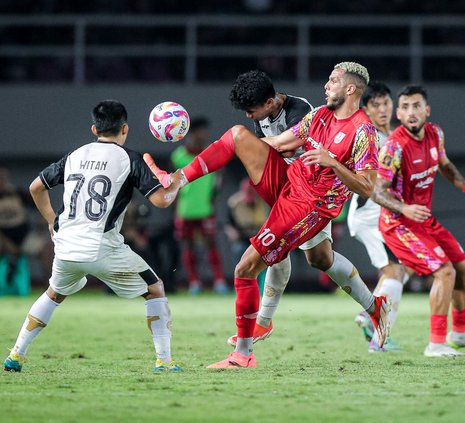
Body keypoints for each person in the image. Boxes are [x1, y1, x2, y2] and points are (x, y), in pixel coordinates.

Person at [145, 62, 390, 368]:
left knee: (247, 267)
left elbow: (367, 187)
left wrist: (334, 163)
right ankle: (175, 181)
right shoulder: (320, 116)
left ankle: (244, 354)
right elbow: (277, 143)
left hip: (310, 205)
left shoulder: (364, 132)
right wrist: (237, 152)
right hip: (289, 183)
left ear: (350, 89)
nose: (326, 85)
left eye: (333, 81)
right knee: (237, 135)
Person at [3, 100, 183, 373]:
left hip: (66, 246)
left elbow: (35, 187)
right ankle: (164, 362)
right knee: (155, 288)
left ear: (93, 128)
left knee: (53, 294)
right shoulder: (128, 158)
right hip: (102, 247)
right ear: (125, 129)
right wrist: (177, 180)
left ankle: (16, 355)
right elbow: (162, 201)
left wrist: (53, 221)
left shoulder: (76, 155)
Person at [226, 69, 335, 346]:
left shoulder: (299, 110)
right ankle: (263, 322)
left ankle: (373, 305)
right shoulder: (263, 115)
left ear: (271, 102)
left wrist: (257, 149)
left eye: (251, 110)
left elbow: (287, 147)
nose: (249, 116)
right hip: (284, 189)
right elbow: (270, 151)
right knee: (277, 250)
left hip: (309, 192)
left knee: (321, 259)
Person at [372, 85, 465, 357]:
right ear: (398, 112)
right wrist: (405, 208)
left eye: (416, 106)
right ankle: (435, 343)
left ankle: (459, 333)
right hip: (398, 224)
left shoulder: (435, 134)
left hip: (425, 221)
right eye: (405, 107)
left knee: (464, 272)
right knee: (445, 272)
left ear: (426, 110)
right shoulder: (394, 147)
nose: (411, 112)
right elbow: (377, 191)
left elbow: (445, 165)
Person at [347, 81, 409, 352]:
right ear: (367, 109)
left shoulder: (397, 137)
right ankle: (378, 334)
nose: (383, 109)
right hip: (370, 217)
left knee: (402, 270)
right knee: (394, 271)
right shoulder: (369, 138)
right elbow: (368, 185)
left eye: (386, 103)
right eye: (376, 105)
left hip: (386, 217)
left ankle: (370, 317)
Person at [170, 117, 229, 295]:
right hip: (185, 209)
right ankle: (194, 282)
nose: (204, 135)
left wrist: (214, 195)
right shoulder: (178, 156)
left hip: (205, 209)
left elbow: (219, 177)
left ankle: (219, 281)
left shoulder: (210, 153)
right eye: (201, 131)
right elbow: (172, 184)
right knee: (188, 247)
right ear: (192, 133)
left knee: (212, 244)